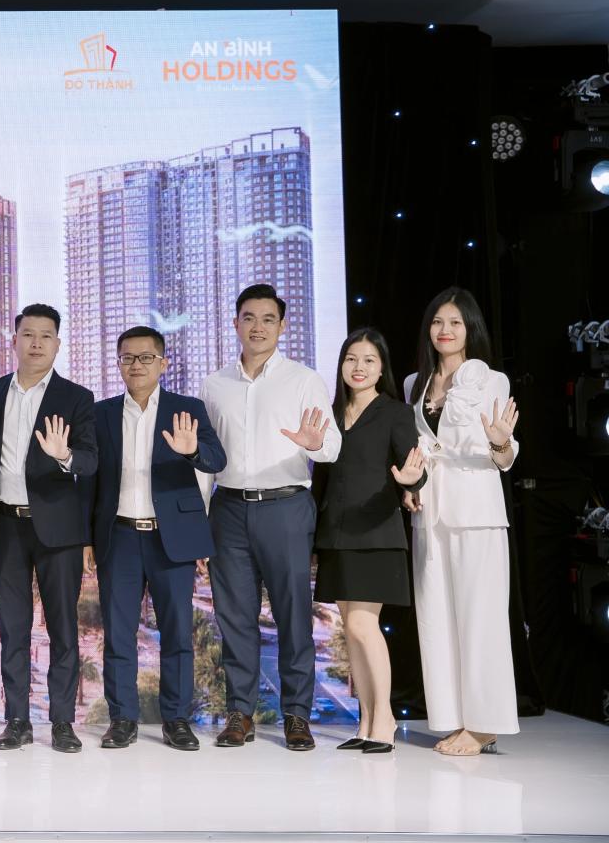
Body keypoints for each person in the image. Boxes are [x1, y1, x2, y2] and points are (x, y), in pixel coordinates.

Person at [201, 282, 340, 752]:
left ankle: (296, 715)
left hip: (285, 506)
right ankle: (239, 713)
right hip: (228, 509)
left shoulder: (303, 379)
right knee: (234, 617)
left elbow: (332, 446)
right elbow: (205, 459)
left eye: (267, 319)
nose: (257, 327)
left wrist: (314, 444)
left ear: (282, 326)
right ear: (235, 324)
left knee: (293, 614)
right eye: (249, 318)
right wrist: (200, 520)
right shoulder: (214, 384)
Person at [90, 326, 226, 750]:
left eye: (146, 357)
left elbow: (216, 459)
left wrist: (191, 451)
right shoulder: (101, 413)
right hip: (119, 536)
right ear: (118, 364)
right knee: (119, 633)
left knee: (177, 632)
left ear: (163, 363)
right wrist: (87, 540)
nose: (137, 365)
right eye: (128, 357)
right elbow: (90, 480)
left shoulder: (188, 409)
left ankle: (177, 720)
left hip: (172, 538)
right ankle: (122, 719)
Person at [404, 288, 520, 756]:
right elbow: (417, 449)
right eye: (437, 322)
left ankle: (486, 724)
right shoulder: (415, 382)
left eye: (454, 322)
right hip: (430, 512)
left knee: (481, 617)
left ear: (470, 328)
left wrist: (500, 442)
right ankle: (454, 718)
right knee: (436, 618)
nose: (445, 330)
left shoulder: (491, 380)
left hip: (476, 510)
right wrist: (411, 485)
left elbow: (504, 456)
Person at [0, 304, 98, 754]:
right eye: (28, 334)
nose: (36, 343)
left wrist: (64, 455)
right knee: (13, 629)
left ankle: (63, 722)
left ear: (57, 344)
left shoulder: (76, 397)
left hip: (58, 530)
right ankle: (17, 721)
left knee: (63, 628)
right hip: (3, 526)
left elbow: (90, 461)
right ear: (14, 341)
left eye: (45, 336)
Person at [316, 328, 427, 756]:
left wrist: (412, 481)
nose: (358, 368)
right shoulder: (330, 414)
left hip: (376, 532)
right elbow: (322, 479)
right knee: (351, 630)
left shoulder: (395, 412)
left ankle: (385, 720)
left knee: (364, 625)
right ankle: (365, 721)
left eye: (368, 360)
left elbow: (413, 467)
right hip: (335, 533)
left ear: (382, 369)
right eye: (351, 359)